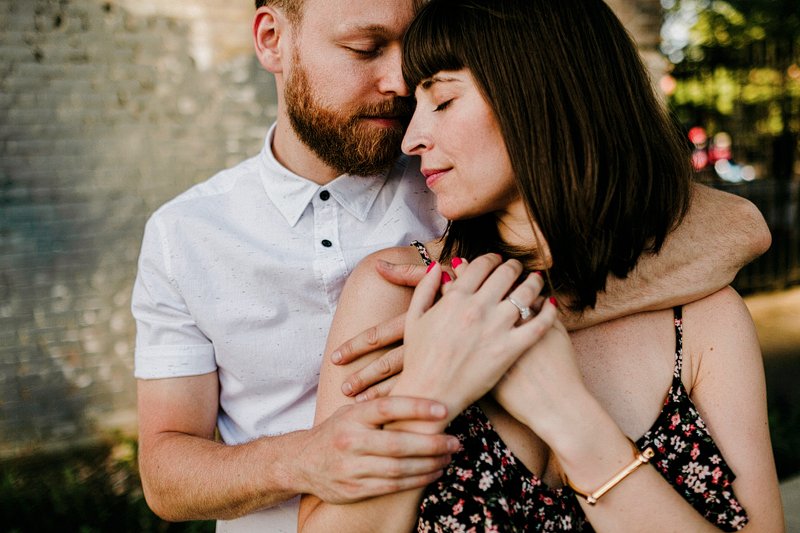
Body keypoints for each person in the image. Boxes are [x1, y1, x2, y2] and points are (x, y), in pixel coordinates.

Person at [131, 0, 771, 531]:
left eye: (422, 72)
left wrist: (507, 325)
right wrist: (307, 458)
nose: (401, 86)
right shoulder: (184, 236)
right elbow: (164, 470)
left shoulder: (464, 183)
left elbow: (740, 228)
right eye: (365, 49)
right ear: (272, 40)